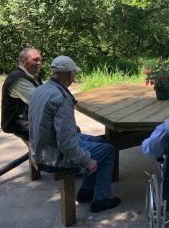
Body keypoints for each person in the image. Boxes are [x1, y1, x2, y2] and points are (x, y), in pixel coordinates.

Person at [29, 56, 121, 213]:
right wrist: (86, 160)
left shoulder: (41, 90)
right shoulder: (60, 98)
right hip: (54, 154)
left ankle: (86, 191)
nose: (74, 77)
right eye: (73, 74)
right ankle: (100, 199)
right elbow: (65, 143)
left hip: (42, 146)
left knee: (102, 143)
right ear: (69, 74)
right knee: (109, 151)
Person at [1, 47, 43, 140]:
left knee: (67, 129)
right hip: (18, 122)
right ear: (23, 62)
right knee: (61, 132)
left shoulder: (32, 74)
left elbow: (43, 92)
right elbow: (40, 101)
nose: (39, 62)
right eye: (35, 60)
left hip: (27, 117)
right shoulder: (18, 79)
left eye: (40, 60)